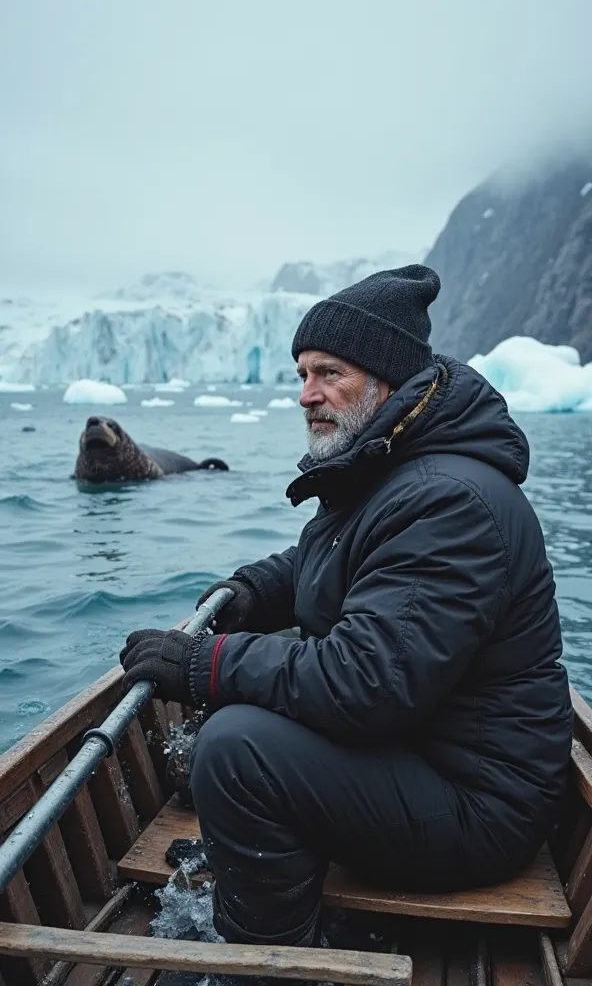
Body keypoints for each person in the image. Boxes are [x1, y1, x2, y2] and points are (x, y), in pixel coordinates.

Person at [121, 264, 573, 956]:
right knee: (249, 714)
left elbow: (366, 683)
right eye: (302, 374)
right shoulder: (394, 471)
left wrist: (203, 663)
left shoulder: (449, 501)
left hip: (479, 808)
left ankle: (268, 964)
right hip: (427, 755)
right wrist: (252, 591)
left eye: (330, 373)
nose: (308, 394)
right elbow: (327, 560)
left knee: (238, 750)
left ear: (386, 378)